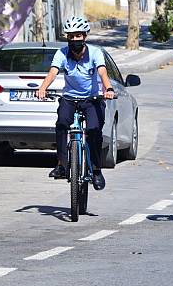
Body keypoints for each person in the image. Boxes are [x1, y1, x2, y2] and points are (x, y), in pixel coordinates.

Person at [37, 16, 115, 191]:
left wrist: (108, 89)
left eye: (78, 36)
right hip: (70, 99)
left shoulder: (95, 53)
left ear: (85, 36)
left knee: (94, 130)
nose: (74, 40)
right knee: (62, 124)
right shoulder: (62, 53)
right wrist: (42, 88)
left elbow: (102, 72)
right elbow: (52, 72)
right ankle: (62, 165)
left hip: (91, 100)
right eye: (71, 36)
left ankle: (96, 170)